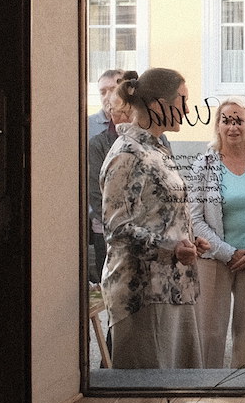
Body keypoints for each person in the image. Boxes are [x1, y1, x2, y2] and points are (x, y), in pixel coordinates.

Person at [98, 68, 205, 369]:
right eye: (183, 100)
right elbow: (117, 228)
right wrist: (172, 248)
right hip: (144, 294)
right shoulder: (128, 154)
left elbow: (158, 215)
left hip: (171, 289)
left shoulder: (155, 148)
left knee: (177, 387)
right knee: (150, 388)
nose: (187, 110)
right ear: (159, 106)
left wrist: (190, 240)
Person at [187, 98, 245, 368]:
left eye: (239, 120)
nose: (233, 127)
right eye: (226, 120)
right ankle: (208, 385)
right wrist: (228, 253)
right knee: (210, 333)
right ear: (218, 126)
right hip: (213, 259)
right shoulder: (204, 164)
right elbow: (195, 218)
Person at [85, 91, 123, 285]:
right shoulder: (98, 143)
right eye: (121, 110)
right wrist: (118, 224)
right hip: (107, 229)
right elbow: (94, 191)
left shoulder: (156, 141)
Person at [88, 68, 123, 141]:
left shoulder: (137, 123)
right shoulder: (87, 125)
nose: (107, 96)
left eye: (113, 90)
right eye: (103, 92)